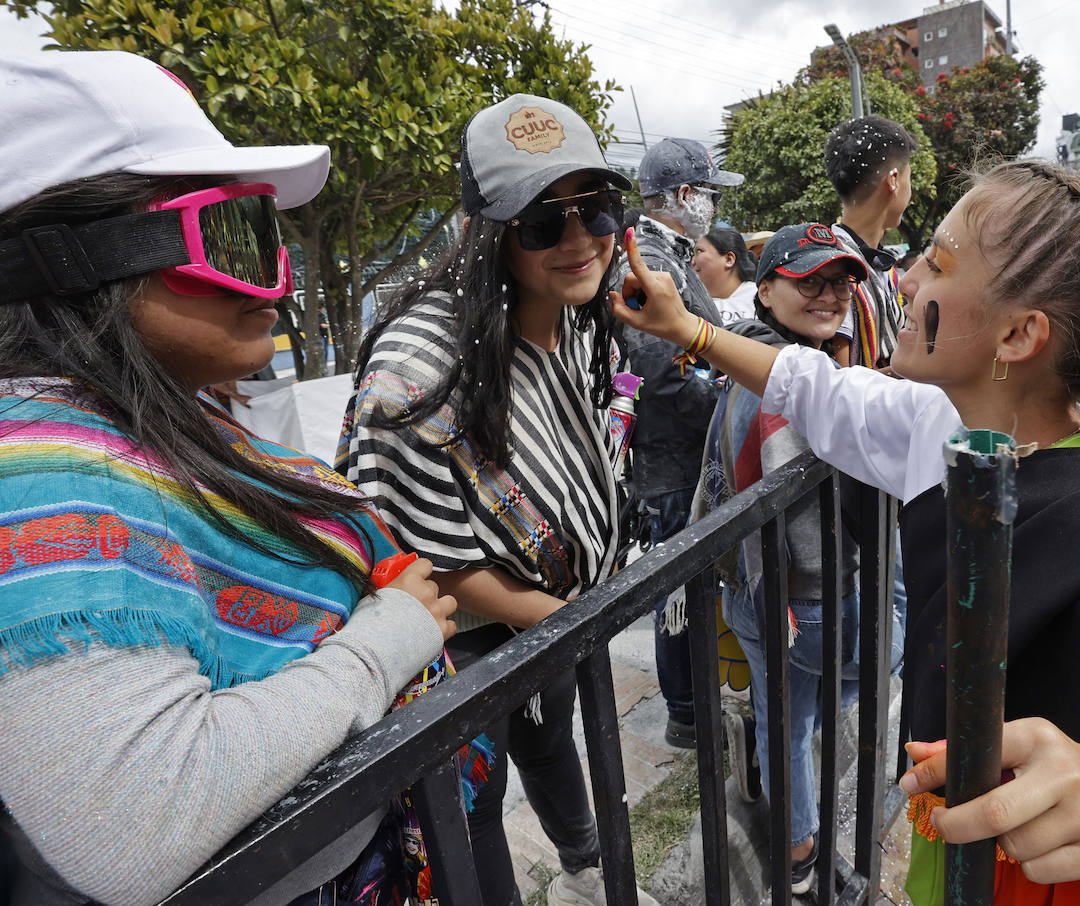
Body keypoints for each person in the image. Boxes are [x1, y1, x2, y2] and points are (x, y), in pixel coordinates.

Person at [612, 159, 1080, 905]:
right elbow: (815, 390)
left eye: (937, 264)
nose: (904, 280)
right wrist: (689, 330)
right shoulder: (939, 426)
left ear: (1018, 336)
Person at [0, 50, 459, 906]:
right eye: (231, 237)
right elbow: (132, 828)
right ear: (69, 261)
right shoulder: (40, 476)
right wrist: (385, 642)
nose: (275, 283)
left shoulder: (152, 416)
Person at [339, 94, 657, 906]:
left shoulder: (579, 314)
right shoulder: (421, 366)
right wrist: (562, 618)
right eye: (542, 223)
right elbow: (412, 551)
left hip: (553, 618)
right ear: (491, 234)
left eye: (596, 207)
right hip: (468, 649)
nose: (580, 238)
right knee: (471, 815)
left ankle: (585, 869)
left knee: (551, 742)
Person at [697, 224, 904, 895]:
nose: (830, 293)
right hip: (805, 605)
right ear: (765, 291)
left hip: (758, 598)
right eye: (808, 279)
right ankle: (803, 855)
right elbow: (814, 535)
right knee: (874, 663)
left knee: (794, 717)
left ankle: (797, 848)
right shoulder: (784, 390)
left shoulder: (761, 361)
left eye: (840, 280)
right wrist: (890, 600)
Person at [614, 137, 742, 750]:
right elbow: (662, 375)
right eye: (710, 193)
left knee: (693, 588)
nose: (714, 207)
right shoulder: (649, 260)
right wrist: (730, 403)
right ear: (684, 194)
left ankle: (693, 701)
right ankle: (687, 712)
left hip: (684, 459)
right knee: (680, 595)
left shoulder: (671, 256)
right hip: (671, 465)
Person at [822, 115, 919, 369]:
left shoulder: (879, 264)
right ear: (894, 180)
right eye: (910, 176)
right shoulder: (837, 265)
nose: (911, 189)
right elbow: (844, 384)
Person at [692, 227, 757, 324]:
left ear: (729, 259)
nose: (692, 262)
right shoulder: (688, 301)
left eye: (699, 251)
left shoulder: (760, 297)